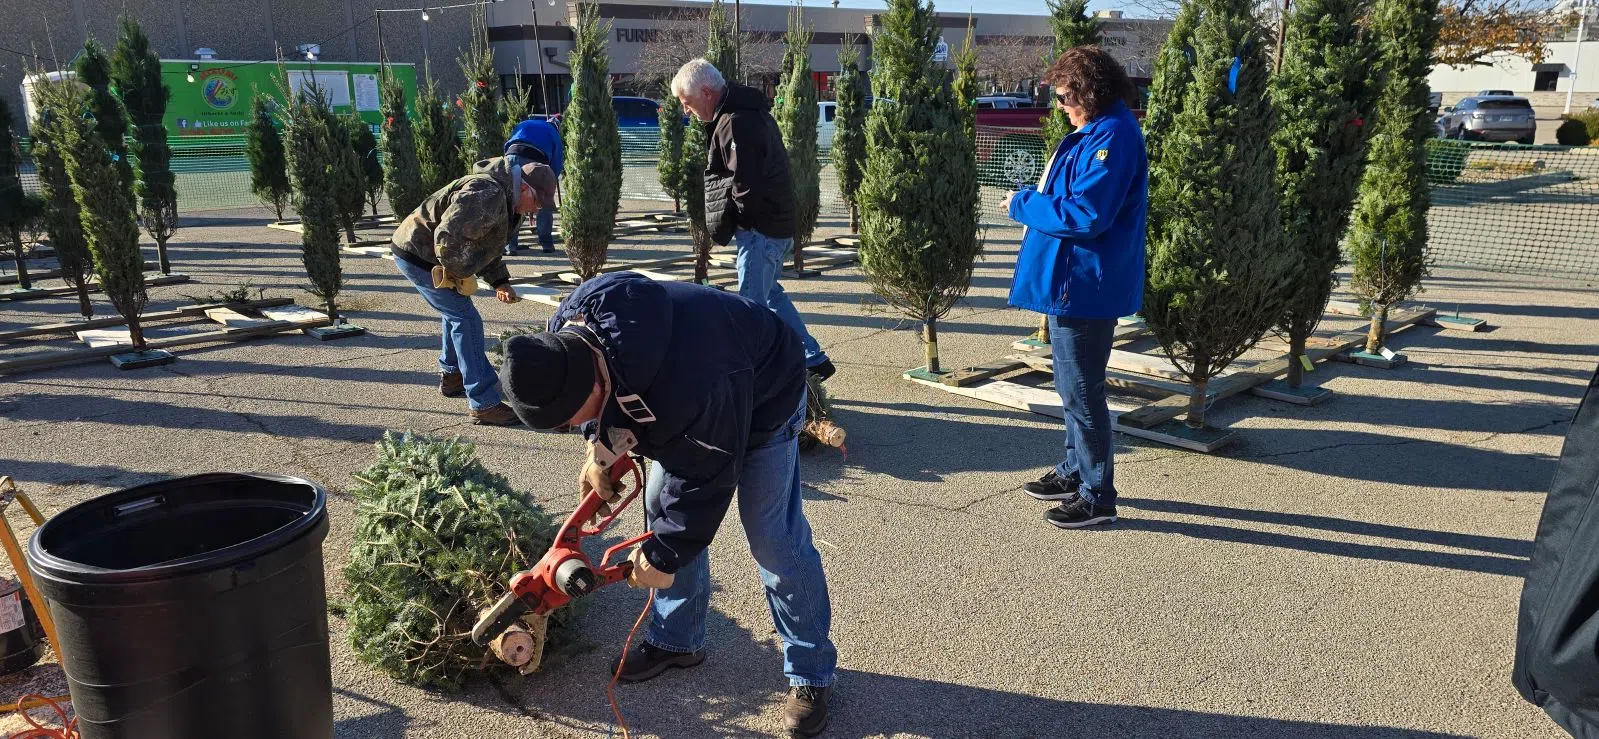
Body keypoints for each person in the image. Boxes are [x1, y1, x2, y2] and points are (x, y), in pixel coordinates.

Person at [498, 271, 838, 737]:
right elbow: (610, 406)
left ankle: (811, 672)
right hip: (693, 394)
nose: (567, 429)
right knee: (658, 505)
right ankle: (678, 639)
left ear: (592, 388)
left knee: (772, 537)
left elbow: (707, 475)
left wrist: (662, 555)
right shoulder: (569, 334)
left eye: (568, 420)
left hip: (764, 392)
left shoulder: (694, 380)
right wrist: (599, 447)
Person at [1002, 46, 1148, 529]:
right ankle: (1075, 468)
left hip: (1087, 284)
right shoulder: (1096, 132)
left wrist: (1022, 204)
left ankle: (1097, 495)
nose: (1059, 106)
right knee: (1070, 386)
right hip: (1074, 280)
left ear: (1090, 93)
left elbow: (1086, 213)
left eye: (1064, 96)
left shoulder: (1113, 138)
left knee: (1083, 391)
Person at [671, 58, 836, 382]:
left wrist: (743, 222)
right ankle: (812, 357)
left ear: (706, 92)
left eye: (687, 103)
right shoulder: (744, 113)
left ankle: (748, 379)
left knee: (748, 309)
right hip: (771, 227)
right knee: (770, 294)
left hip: (761, 230)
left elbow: (746, 181)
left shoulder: (736, 121)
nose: (686, 111)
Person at [391, 156, 557, 426]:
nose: (535, 211)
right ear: (525, 188)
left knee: (456, 311)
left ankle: (453, 375)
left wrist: (499, 281)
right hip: (418, 254)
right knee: (465, 318)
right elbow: (446, 240)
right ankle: (484, 403)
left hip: (429, 253)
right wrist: (461, 275)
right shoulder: (487, 194)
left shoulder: (505, 198)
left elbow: (485, 244)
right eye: (537, 203)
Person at [504, 116, 565, 255]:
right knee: (543, 198)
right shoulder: (553, 132)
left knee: (513, 201)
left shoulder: (524, 123)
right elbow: (556, 161)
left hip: (511, 155)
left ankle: (510, 246)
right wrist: (550, 181)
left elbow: (508, 143)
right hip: (535, 158)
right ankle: (546, 243)